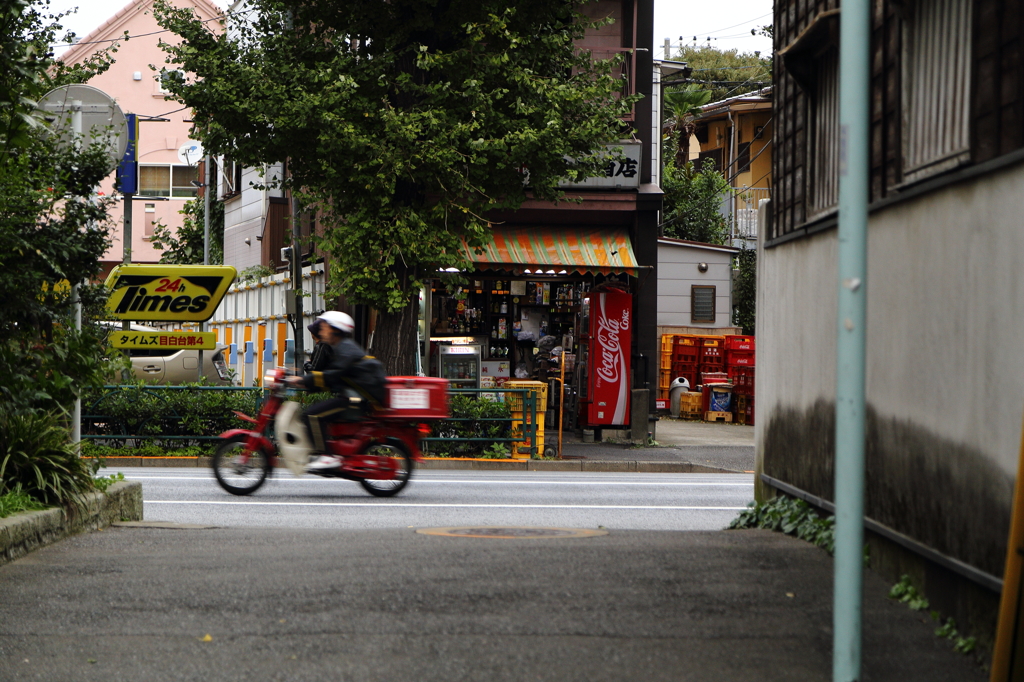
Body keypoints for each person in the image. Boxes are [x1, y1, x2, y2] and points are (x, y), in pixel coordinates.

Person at [285, 311, 387, 471]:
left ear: (335, 330)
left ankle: (326, 456)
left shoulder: (345, 349)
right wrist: (306, 383)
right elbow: (333, 378)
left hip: (353, 400)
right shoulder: (341, 347)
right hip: (352, 397)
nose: (322, 331)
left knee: (312, 415)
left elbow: (332, 375)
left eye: (325, 327)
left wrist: (302, 380)